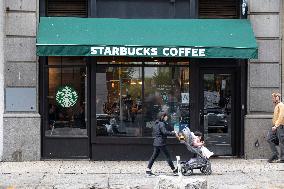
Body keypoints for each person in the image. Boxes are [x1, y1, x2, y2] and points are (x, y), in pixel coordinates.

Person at [267, 93, 284, 163]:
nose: (272, 99)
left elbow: (281, 116)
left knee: (282, 142)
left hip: (280, 126)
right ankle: (275, 154)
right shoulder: (277, 105)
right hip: (276, 126)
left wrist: (276, 125)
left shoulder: (281, 105)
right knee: (269, 138)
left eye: (273, 98)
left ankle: (283, 158)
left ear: (277, 98)